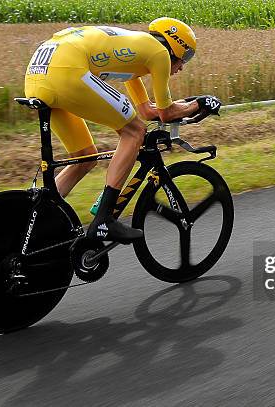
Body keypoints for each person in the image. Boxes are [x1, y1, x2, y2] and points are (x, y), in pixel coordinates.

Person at [24, 17, 220, 244]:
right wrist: (200, 103)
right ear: (175, 48)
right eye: (186, 57)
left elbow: (147, 111)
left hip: (38, 76)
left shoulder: (135, 54)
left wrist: (184, 107)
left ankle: (40, 215)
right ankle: (104, 219)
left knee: (84, 157)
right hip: (66, 69)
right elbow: (166, 113)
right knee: (134, 132)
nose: (183, 66)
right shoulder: (159, 53)